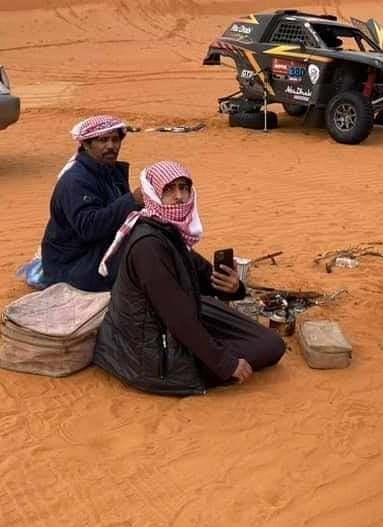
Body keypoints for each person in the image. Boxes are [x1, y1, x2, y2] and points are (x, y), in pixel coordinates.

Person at [93, 160, 285, 396]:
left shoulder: (165, 229)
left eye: (183, 188)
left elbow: (203, 274)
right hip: (147, 354)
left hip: (174, 316)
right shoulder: (148, 245)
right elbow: (177, 318)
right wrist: (224, 363)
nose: (179, 197)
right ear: (152, 194)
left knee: (268, 340)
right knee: (269, 347)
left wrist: (233, 287)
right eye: (169, 189)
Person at [40, 115, 142, 292]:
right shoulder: (76, 181)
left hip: (97, 250)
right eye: (102, 140)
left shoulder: (112, 171)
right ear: (86, 144)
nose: (110, 146)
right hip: (73, 265)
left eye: (115, 140)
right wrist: (132, 201)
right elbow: (89, 228)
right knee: (143, 251)